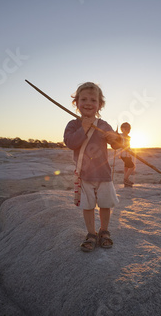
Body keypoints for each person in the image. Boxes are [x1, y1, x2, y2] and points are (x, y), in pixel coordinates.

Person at [63, 82, 122, 252]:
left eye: (93, 100)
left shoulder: (103, 125)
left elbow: (117, 145)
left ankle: (104, 231)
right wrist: (83, 128)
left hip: (103, 174)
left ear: (100, 105)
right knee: (87, 206)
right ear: (76, 103)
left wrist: (114, 139)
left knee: (105, 204)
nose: (88, 103)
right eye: (84, 99)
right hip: (84, 174)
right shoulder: (73, 125)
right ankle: (91, 233)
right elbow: (71, 143)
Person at [119, 122, 135, 187]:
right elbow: (118, 142)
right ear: (122, 129)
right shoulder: (120, 136)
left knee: (126, 167)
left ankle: (126, 180)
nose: (128, 131)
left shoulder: (128, 137)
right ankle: (125, 179)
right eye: (126, 129)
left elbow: (128, 146)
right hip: (124, 155)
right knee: (132, 166)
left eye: (129, 129)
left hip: (128, 155)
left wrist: (131, 152)